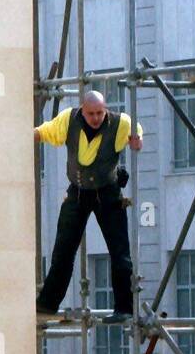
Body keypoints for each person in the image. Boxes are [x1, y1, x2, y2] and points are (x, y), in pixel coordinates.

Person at [35, 90, 143, 323]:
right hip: (78, 192)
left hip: (108, 192)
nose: (95, 118)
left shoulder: (120, 123)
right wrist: (29, 135)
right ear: (83, 110)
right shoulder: (68, 119)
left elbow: (136, 134)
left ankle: (124, 308)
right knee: (63, 250)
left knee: (119, 252)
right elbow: (47, 132)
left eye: (99, 113)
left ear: (105, 110)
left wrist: (136, 141)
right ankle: (47, 303)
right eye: (91, 113)